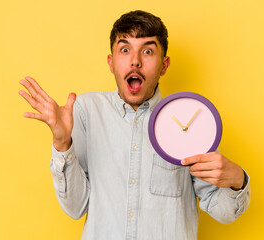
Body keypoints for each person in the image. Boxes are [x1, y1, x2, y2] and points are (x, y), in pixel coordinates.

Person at [19, 10, 250, 240]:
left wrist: (237, 181)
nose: (135, 60)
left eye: (148, 51)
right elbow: (75, 207)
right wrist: (62, 143)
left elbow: (223, 211)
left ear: (164, 65)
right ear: (111, 62)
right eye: (125, 49)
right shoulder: (86, 110)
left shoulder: (187, 117)